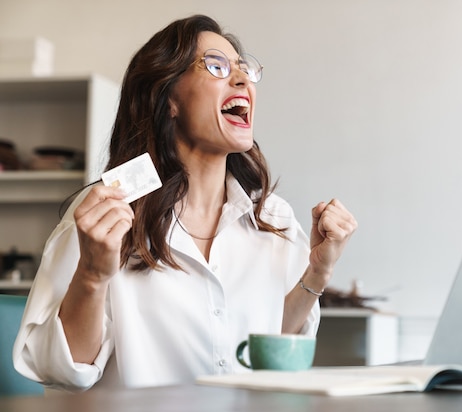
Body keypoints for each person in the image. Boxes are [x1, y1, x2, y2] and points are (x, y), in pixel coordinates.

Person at [13, 14, 357, 392]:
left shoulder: (274, 218)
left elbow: (267, 348)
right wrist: (92, 277)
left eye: (244, 68)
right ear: (168, 98)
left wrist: (316, 275)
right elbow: (62, 372)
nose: (241, 79)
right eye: (216, 66)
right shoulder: (104, 213)